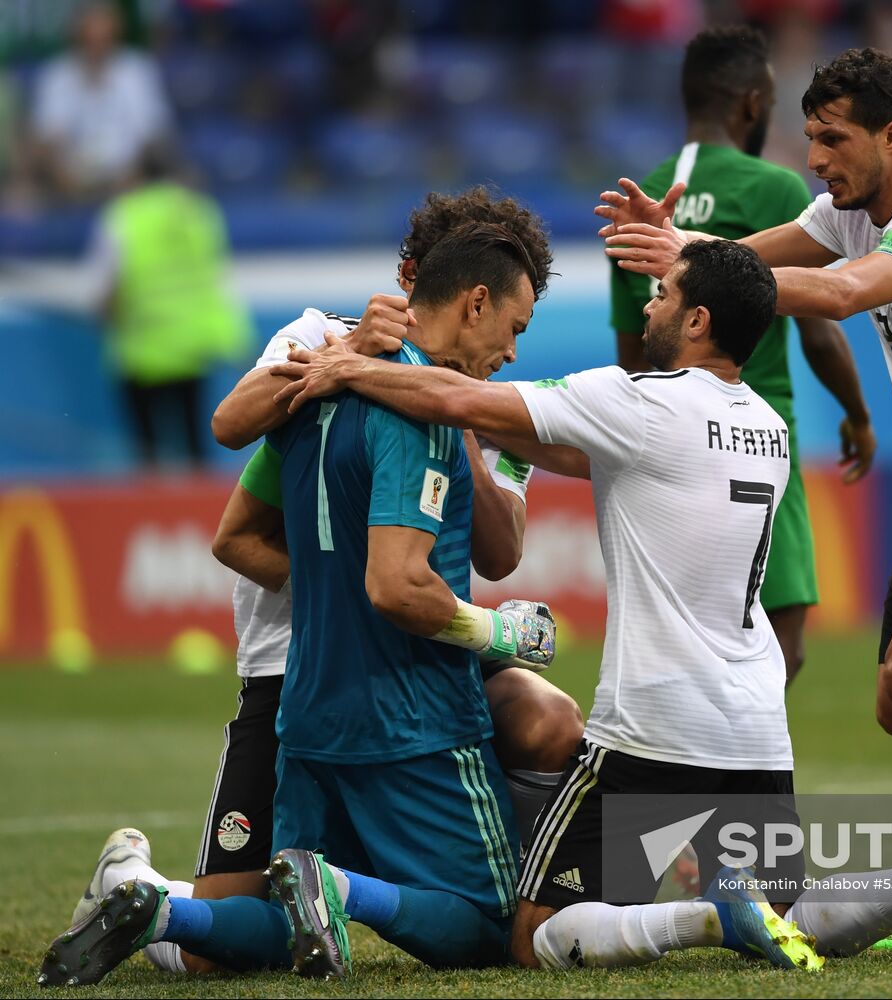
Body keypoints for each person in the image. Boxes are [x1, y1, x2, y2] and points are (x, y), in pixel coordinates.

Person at [598, 47, 892, 953]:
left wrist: (695, 264)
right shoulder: (850, 212)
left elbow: (843, 295)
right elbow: (744, 259)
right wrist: (680, 247)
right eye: (809, 137)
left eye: (833, 139)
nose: (814, 158)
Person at [57, 190, 583, 979]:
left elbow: (499, 552)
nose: (512, 351)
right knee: (495, 932)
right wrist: (495, 629)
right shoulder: (319, 346)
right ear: (456, 292)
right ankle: (171, 890)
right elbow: (237, 449)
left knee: (545, 718)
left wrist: (455, 406)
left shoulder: (472, 403)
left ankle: (165, 907)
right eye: (512, 325)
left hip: (331, 684)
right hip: (332, 670)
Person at [268, 239, 826, 973]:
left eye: (662, 295)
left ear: (697, 321)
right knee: (791, 917)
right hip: (757, 728)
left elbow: (462, 400)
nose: (647, 307)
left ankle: (706, 917)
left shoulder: (640, 399)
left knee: (534, 936)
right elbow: (533, 438)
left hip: (654, 727)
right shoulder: (770, 431)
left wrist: (353, 365)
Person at [610, 26, 876, 686]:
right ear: (754, 102)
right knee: (780, 645)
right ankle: (738, 782)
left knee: (685, 638)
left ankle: (682, 781)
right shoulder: (776, 189)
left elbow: (633, 357)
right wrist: (857, 415)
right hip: (758, 441)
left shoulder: (637, 197)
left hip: (666, 444)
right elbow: (818, 329)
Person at [83, 142, 251, 467]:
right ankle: (202, 516)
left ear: (138, 173)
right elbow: (216, 279)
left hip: (141, 352)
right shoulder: (201, 212)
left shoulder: (122, 216)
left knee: (148, 456)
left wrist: (106, 314)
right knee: (195, 450)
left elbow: (103, 292)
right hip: (193, 348)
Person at [29, 1, 173, 199]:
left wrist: (133, 176)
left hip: (130, 181)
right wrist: (67, 182)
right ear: (78, 34)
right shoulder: (57, 76)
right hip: (69, 187)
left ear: (116, 32)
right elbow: (49, 140)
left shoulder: (138, 71)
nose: (97, 42)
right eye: (90, 35)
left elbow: (152, 136)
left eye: (104, 36)